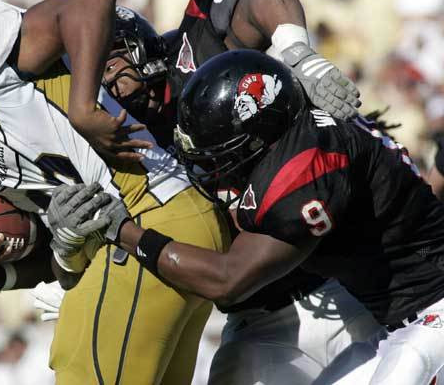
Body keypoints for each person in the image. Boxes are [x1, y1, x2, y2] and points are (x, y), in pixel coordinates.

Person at [0, 0, 229, 384]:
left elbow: (90, 4)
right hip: (159, 229)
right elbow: (41, 252)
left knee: (76, 369)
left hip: (147, 210)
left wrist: (83, 107)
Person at [54, 49, 444, 384]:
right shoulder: (305, 135)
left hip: (433, 314)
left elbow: (228, 280)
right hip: (398, 323)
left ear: (263, 131)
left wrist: (126, 234)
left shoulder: (309, 165)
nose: (218, 169)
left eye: (224, 153)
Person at [97, 0, 379, 384]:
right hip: (258, 315)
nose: (107, 87)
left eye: (108, 67)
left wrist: (299, 53)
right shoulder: (113, 137)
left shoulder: (197, 52)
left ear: (139, 49)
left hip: (344, 284)